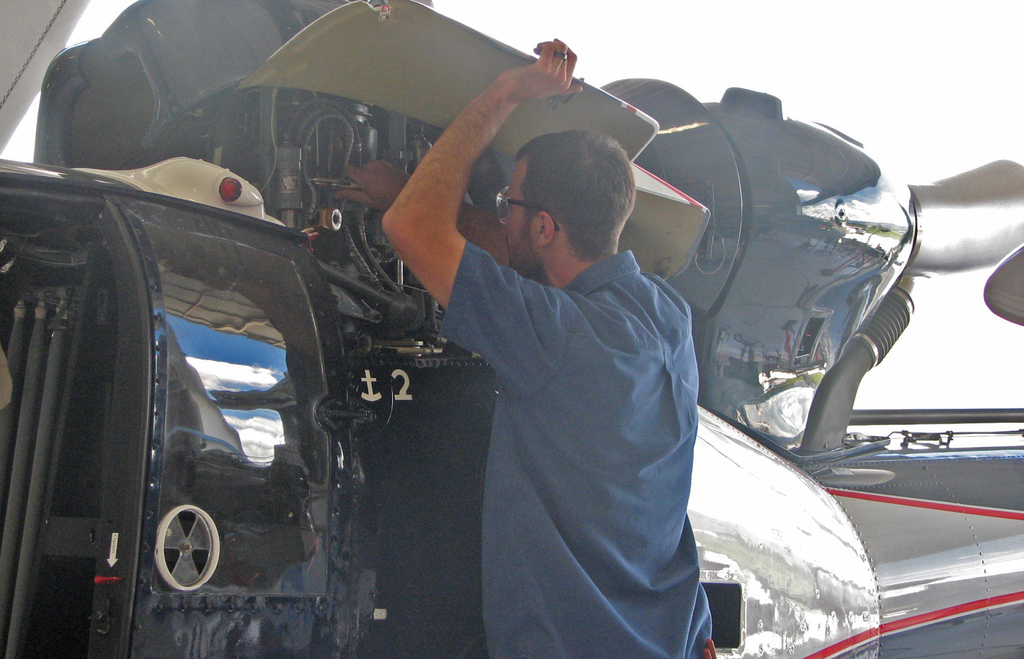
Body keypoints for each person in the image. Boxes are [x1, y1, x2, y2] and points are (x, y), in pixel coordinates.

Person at [341, 40, 713, 659]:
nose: (502, 217)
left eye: (507, 205)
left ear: (544, 226)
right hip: (665, 639)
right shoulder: (665, 314)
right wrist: (405, 189)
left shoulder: (553, 337)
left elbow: (410, 228)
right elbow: (514, 250)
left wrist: (504, 94)